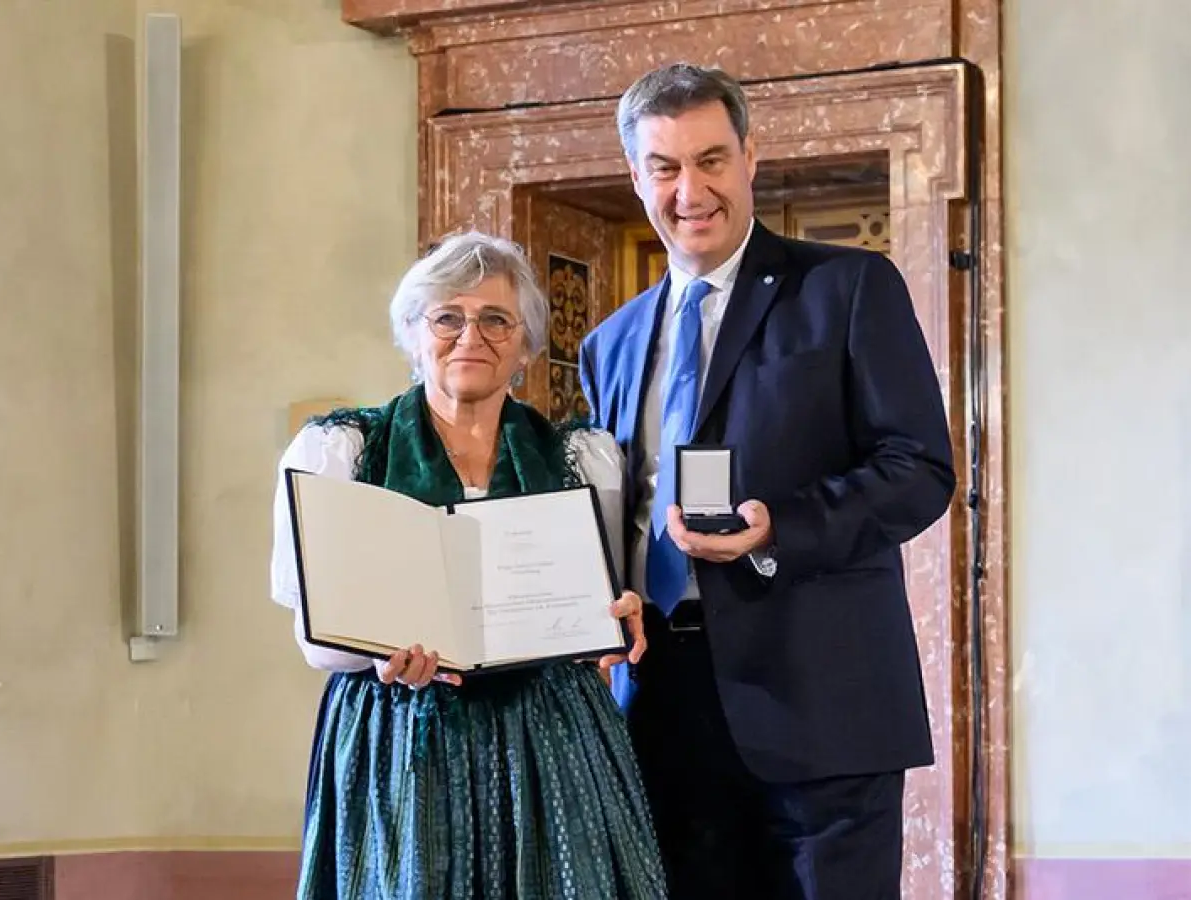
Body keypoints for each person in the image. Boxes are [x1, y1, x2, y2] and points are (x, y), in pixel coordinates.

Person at [578, 63, 957, 900]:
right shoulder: (608, 343)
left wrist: (779, 525)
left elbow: (919, 470)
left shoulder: (846, 288)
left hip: (821, 703)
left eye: (711, 159)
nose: (690, 191)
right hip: (662, 704)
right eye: (664, 167)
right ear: (635, 176)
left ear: (751, 157)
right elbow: (612, 514)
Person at [270, 230, 668, 900]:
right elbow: (316, 637)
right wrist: (376, 652)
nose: (470, 337)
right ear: (411, 333)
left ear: (526, 345)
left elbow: (599, 599)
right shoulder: (341, 451)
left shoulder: (583, 456)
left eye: (495, 320)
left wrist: (612, 617)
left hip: (548, 735)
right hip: (403, 732)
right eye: (447, 318)